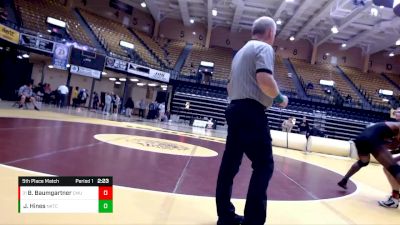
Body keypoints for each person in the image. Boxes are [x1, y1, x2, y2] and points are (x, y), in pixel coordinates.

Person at [215, 16, 288, 225]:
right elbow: (264, 79)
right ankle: (253, 221)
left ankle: (225, 216)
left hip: (235, 109)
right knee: (264, 164)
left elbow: (229, 86)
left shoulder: (240, 53)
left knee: (229, 165)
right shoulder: (264, 48)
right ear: (271, 33)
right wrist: (280, 98)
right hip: (251, 111)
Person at [337, 122, 400, 193]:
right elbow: (395, 143)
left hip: (361, 138)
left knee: (363, 162)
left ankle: (344, 180)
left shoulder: (391, 126)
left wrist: (388, 147)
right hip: (372, 139)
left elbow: (388, 143)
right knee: (394, 168)